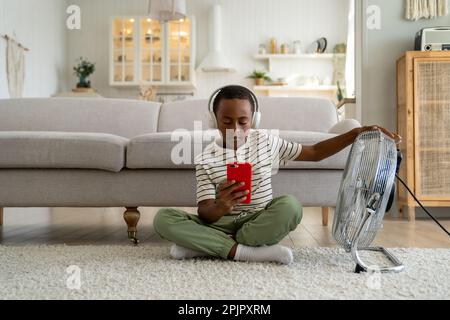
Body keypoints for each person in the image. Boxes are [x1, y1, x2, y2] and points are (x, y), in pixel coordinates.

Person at [153, 85, 400, 264]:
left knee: (291, 206)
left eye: (243, 121)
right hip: (219, 224)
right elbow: (204, 212)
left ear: (254, 120)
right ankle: (247, 252)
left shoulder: (267, 142)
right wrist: (221, 206)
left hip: (258, 222)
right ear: (213, 120)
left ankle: (206, 247)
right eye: (226, 121)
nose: (235, 129)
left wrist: (355, 133)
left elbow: (314, 152)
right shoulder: (206, 158)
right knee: (163, 218)